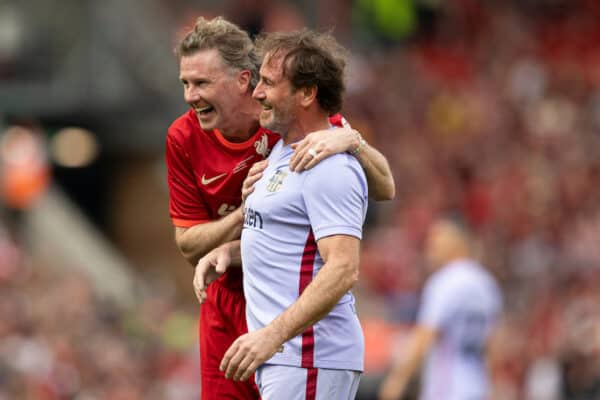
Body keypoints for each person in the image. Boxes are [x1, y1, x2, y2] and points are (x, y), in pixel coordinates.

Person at [166, 16, 395, 399]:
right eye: (186, 83)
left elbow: (382, 189)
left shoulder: (307, 136)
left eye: (202, 83)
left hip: (297, 335)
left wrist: (350, 140)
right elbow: (191, 242)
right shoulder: (271, 147)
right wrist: (233, 240)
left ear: (242, 80)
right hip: (236, 308)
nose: (191, 96)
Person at [378, 219, 503, 400]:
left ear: (456, 242)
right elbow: (492, 345)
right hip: (477, 386)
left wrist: (397, 381)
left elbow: (424, 335)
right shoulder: (487, 284)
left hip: (448, 389)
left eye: (437, 240)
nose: (430, 246)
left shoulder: (446, 281)